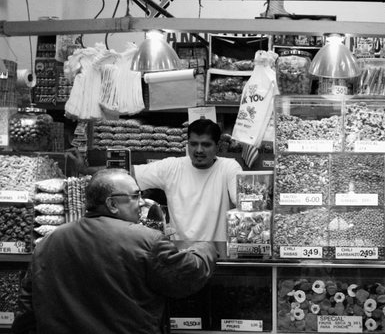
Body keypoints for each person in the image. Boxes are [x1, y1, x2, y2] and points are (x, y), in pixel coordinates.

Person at [11, 169, 217, 334]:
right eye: (135, 196)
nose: (142, 202)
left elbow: (27, 306)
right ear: (111, 204)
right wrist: (206, 247)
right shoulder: (146, 240)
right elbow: (188, 274)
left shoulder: (48, 242)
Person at [71, 119, 243, 244]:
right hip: (180, 251)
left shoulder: (229, 168)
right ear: (187, 144)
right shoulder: (172, 167)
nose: (198, 150)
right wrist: (84, 170)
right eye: (194, 144)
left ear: (218, 146)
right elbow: (125, 172)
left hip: (218, 252)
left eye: (205, 145)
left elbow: (243, 204)